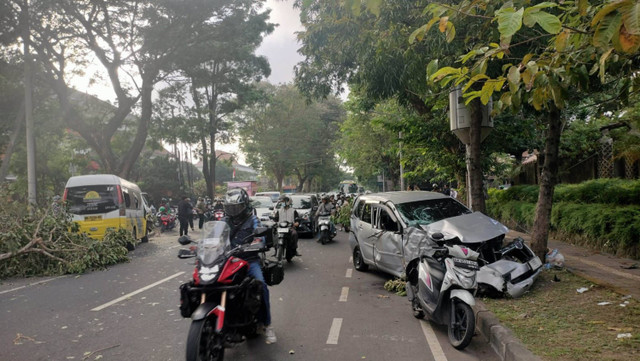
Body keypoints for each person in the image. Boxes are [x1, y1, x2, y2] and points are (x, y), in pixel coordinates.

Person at [223, 188, 276, 344]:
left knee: (261, 285)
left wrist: (257, 242)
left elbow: (260, 237)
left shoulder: (252, 220)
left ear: (244, 206)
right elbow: (213, 233)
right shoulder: (224, 221)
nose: (233, 211)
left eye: (236, 207)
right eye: (230, 208)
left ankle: (266, 324)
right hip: (228, 261)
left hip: (249, 260)